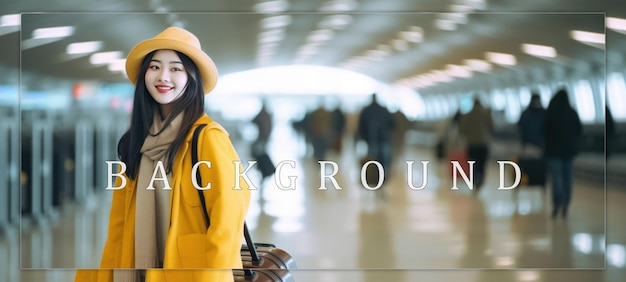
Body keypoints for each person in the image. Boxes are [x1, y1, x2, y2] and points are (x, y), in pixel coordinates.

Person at [75, 27, 251, 282]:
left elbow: (228, 221)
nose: (163, 76)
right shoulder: (136, 143)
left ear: (192, 77)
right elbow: (119, 227)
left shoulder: (206, 138)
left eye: (176, 68)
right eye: (155, 67)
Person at [543, 88, 582, 219]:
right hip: (568, 151)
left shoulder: (550, 112)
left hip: (553, 152)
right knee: (567, 178)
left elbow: (544, 131)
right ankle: (566, 203)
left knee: (556, 178)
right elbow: (579, 130)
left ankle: (556, 203)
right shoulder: (572, 113)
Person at [458, 97, 493, 192]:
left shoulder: (468, 115)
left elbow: (461, 129)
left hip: (472, 144)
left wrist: (468, 136)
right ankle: (480, 181)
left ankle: (474, 182)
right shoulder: (485, 114)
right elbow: (491, 127)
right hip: (483, 145)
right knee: (481, 165)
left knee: (472, 165)